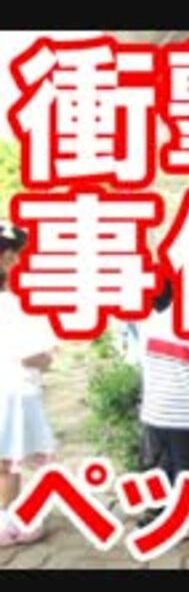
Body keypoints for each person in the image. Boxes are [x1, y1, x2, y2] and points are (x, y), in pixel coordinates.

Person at [138, 280, 189, 530]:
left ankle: (155, 510)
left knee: (160, 463)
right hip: (184, 413)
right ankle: (188, 518)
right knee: (187, 467)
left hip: (154, 409)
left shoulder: (149, 320)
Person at [0, 224, 58, 547]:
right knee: (10, 459)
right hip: (13, 390)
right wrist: (47, 358)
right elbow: (34, 356)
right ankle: (9, 522)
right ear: (7, 257)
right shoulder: (14, 306)